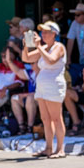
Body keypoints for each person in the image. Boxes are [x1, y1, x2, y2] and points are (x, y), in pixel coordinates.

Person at [23, 21, 68, 157]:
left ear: (54, 33)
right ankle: (48, 148)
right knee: (45, 119)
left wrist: (38, 47)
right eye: (42, 32)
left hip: (54, 86)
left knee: (56, 118)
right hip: (42, 86)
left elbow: (51, 60)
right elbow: (26, 58)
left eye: (47, 32)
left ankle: (60, 149)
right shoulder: (44, 47)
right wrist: (26, 46)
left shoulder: (58, 47)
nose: (43, 34)